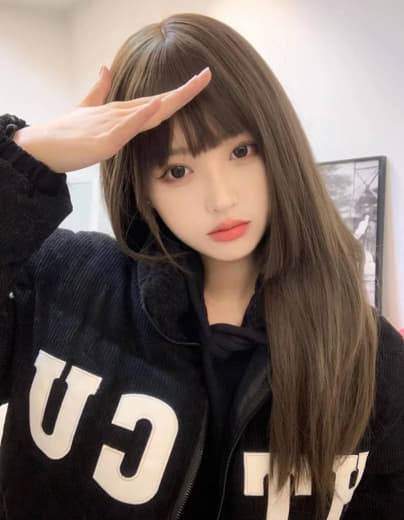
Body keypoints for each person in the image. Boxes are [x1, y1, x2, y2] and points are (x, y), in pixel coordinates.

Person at [0, 12, 403, 520]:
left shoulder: (371, 355)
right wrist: (25, 157)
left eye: (241, 150)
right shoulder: (62, 282)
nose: (221, 198)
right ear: (141, 187)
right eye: (177, 170)